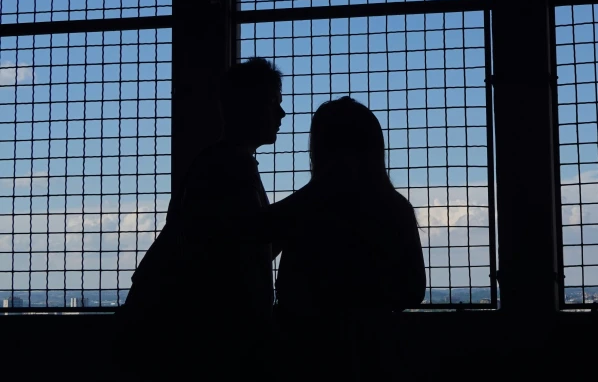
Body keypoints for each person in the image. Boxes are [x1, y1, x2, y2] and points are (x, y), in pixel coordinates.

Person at [115, 57, 286, 381]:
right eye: (273, 103)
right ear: (249, 107)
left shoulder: (217, 166)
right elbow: (243, 247)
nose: (281, 114)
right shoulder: (229, 170)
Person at [267, 97, 426, 380]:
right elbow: (412, 290)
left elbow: (255, 246)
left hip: (303, 353)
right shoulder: (396, 209)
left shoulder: (301, 208)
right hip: (375, 352)